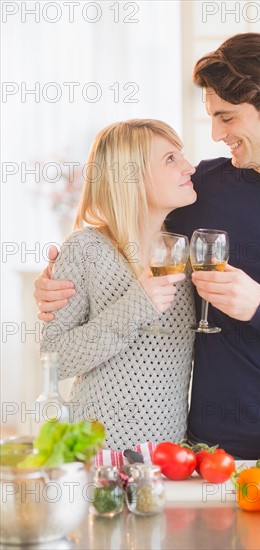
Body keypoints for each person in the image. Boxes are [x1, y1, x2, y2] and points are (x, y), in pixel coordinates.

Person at [34, 33, 260, 459]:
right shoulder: (202, 188)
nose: (217, 135)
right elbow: (126, 226)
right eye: (212, 118)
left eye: (227, 118)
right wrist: (57, 282)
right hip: (202, 455)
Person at [37, 119, 197, 449]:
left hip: (170, 456)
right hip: (95, 450)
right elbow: (53, 357)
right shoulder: (85, 248)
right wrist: (134, 307)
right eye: (170, 159)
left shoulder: (190, 254)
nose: (189, 167)